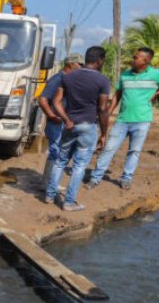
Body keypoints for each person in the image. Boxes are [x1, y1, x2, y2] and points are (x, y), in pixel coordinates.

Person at [86, 47, 159, 190]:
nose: (133, 59)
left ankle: (126, 178)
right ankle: (95, 177)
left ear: (146, 60)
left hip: (142, 121)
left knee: (134, 151)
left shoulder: (156, 74)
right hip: (122, 120)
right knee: (109, 148)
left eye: (136, 57)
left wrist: (158, 93)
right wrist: (109, 113)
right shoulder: (125, 74)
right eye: (133, 56)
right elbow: (117, 95)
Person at [46, 46, 112, 212]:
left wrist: (66, 119)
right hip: (88, 126)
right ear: (100, 60)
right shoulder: (103, 80)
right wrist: (104, 133)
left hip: (70, 126)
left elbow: (56, 102)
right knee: (80, 165)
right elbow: (102, 109)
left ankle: (49, 195)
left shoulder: (68, 76)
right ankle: (69, 202)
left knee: (61, 161)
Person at [37, 53, 84, 190]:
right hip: (56, 122)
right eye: (79, 64)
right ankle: (47, 184)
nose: (81, 67)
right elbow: (42, 100)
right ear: (71, 64)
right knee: (56, 152)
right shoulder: (58, 79)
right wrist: (52, 116)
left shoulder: (68, 79)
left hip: (62, 121)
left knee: (60, 152)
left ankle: (50, 183)